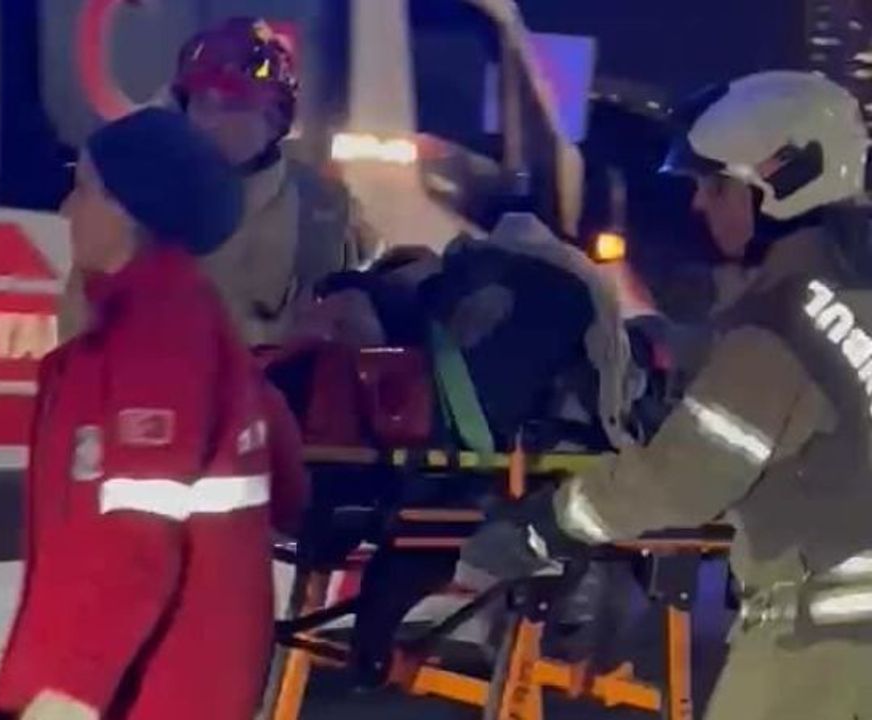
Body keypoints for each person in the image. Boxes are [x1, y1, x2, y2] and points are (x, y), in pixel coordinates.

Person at [464, 71, 872, 720]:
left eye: (716, 185)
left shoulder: (778, 324)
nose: (700, 205)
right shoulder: (848, 303)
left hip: (820, 652)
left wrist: (547, 526)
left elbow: (684, 478)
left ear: (779, 185)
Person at [0, 108, 309, 720]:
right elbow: (287, 481)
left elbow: (138, 548)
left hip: (154, 689)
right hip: (162, 678)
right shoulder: (176, 324)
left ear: (129, 210)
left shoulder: (159, 338)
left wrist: (71, 695)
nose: (68, 210)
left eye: (84, 189)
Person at [59, 17, 379, 347]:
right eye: (202, 103)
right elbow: (82, 323)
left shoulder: (322, 210)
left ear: (274, 119)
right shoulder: (145, 196)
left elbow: (352, 319)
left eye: (233, 105)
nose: (211, 121)